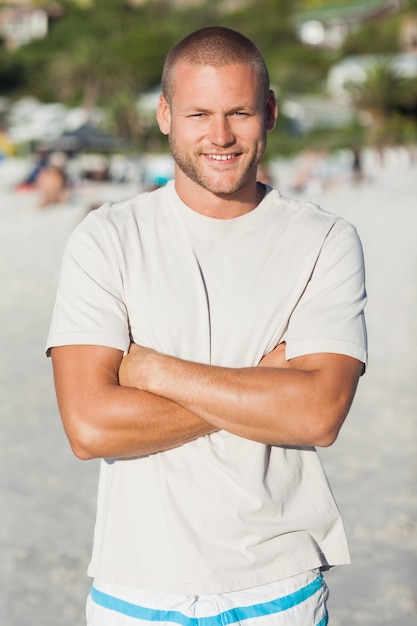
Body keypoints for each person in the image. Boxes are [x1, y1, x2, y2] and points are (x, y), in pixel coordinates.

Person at [46, 26, 367, 626]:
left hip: (279, 587)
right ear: (165, 114)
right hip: (136, 588)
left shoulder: (324, 240)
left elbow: (318, 415)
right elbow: (89, 425)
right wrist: (262, 386)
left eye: (239, 112)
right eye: (199, 113)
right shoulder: (107, 238)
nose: (220, 136)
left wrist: (152, 370)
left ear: (268, 112)